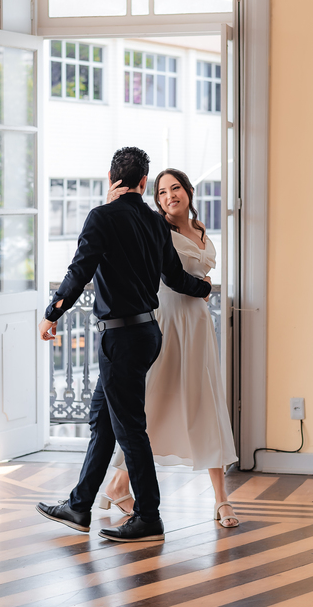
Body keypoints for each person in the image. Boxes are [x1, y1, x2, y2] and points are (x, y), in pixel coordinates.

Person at [36, 147, 212, 543]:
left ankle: (148, 516)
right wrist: (204, 288)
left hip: (121, 338)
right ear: (145, 182)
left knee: (130, 428)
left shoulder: (102, 217)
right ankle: (80, 505)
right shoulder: (154, 223)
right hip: (148, 334)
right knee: (103, 420)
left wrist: (52, 313)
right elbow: (174, 276)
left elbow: (80, 270)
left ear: (110, 176)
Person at [97, 168, 240, 528]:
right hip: (166, 322)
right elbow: (169, 276)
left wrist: (204, 285)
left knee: (205, 403)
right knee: (153, 402)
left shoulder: (202, 230)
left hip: (198, 326)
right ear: (155, 198)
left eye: (175, 188)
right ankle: (117, 483)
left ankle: (222, 500)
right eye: (161, 192)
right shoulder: (154, 227)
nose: (169, 196)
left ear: (188, 191)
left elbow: (201, 277)